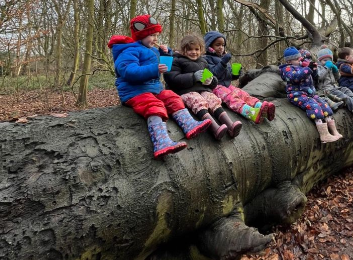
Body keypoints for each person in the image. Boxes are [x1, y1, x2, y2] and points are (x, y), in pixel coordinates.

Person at [108, 15, 211, 159]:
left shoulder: (151, 50)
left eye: (157, 35)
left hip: (154, 89)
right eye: (152, 35)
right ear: (141, 35)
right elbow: (128, 71)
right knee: (154, 105)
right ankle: (161, 142)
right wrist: (154, 69)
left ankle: (189, 124)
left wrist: (165, 53)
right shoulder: (129, 51)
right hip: (135, 92)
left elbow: (164, 65)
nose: (155, 39)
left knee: (172, 97)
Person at [164, 34, 243, 140]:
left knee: (213, 99)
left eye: (197, 49)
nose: (194, 52)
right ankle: (214, 128)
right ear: (183, 50)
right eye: (190, 49)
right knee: (198, 100)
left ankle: (230, 125)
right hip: (185, 91)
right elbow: (173, 79)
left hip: (203, 90)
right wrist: (193, 77)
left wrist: (211, 81)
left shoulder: (203, 61)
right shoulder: (177, 60)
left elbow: (213, 78)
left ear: (201, 49)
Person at [203, 30, 275, 123]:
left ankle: (260, 106)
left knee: (242, 93)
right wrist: (223, 63)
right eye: (218, 45)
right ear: (209, 46)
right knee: (231, 97)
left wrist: (235, 74)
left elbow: (227, 76)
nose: (221, 47)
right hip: (216, 88)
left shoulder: (222, 57)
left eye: (223, 45)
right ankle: (250, 112)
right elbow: (214, 74)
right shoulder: (206, 59)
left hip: (227, 85)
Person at [279, 46, 342, 143]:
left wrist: (314, 68)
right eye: (297, 59)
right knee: (314, 107)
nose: (300, 60)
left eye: (300, 58)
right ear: (289, 61)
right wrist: (308, 68)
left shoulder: (302, 66)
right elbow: (295, 77)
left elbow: (315, 76)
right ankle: (324, 135)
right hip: (297, 94)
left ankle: (334, 131)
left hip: (309, 93)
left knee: (324, 106)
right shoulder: (286, 69)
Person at [315, 45, 353, 116]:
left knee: (346, 90)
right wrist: (326, 67)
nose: (327, 62)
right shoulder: (318, 68)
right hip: (327, 90)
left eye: (329, 60)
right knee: (343, 95)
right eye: (325, 60)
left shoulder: (331, 67)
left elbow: (337, 78)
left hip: (335, 87)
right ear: (319, 61)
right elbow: (319, 77)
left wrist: (335, 71)